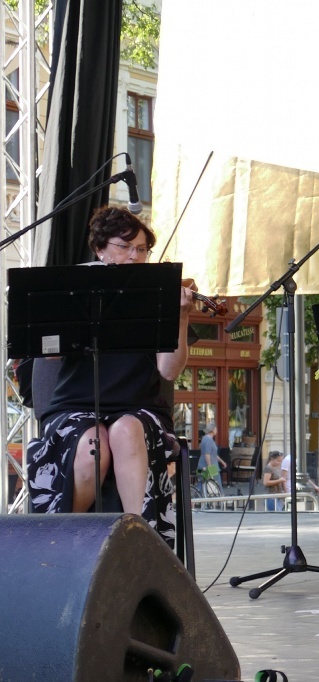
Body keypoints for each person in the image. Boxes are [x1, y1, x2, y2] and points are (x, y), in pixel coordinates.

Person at [26, 206, 194, 547]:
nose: (134, 256)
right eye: (124, 246)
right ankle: (66, 543)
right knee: (93, 444)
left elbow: (169, 370)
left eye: (141, 249)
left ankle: (139, 547)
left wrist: (181, 317)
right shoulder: (76, 291)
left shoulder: (158, 297)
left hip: (139, 407)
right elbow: (51, 354)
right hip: (74, 405)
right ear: (100, 249)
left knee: (125, 430)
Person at [198, 426, 224, 496]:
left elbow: (213, 454)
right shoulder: (208, 440)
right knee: (217, 484)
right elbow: (207, 454)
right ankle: (221, 499)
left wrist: (222, 461)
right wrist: (210, 468)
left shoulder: (206, 439)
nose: (216, 430)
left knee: (201, 485)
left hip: (202, 465)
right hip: (210, 466)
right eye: (215, 429)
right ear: (212, 430)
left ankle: (196, 499)